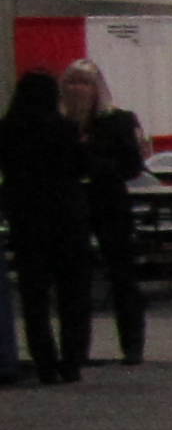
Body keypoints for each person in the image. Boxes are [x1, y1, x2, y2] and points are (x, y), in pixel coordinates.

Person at [0, 70, 93, 385]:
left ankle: (44, 362)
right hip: (67, 216)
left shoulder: (6, 129)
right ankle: (72, 361)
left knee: (33, 294)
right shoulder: (65, 129)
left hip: (26, 218)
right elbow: (83, 167)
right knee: (73, 292)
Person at [59, 60, 146, 365]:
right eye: (70, 82)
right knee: (74, 280)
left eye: (83, 82)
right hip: (70, 207)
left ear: (97, 88)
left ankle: (132, 345)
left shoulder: (119, 121)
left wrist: (91, 158)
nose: (76, 89)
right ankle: (75, 348)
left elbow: (131, 166)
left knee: (122, 276)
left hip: (109, 204)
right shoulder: (58, 125)